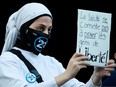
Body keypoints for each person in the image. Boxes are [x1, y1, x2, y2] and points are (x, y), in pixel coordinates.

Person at [0, 2, 116, 87]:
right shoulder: (7, 60)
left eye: (49, 30)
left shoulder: (51, 62)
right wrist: (66, 75)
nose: (45, 34)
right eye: (40, 28)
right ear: (24, 29)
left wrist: (95, 77)